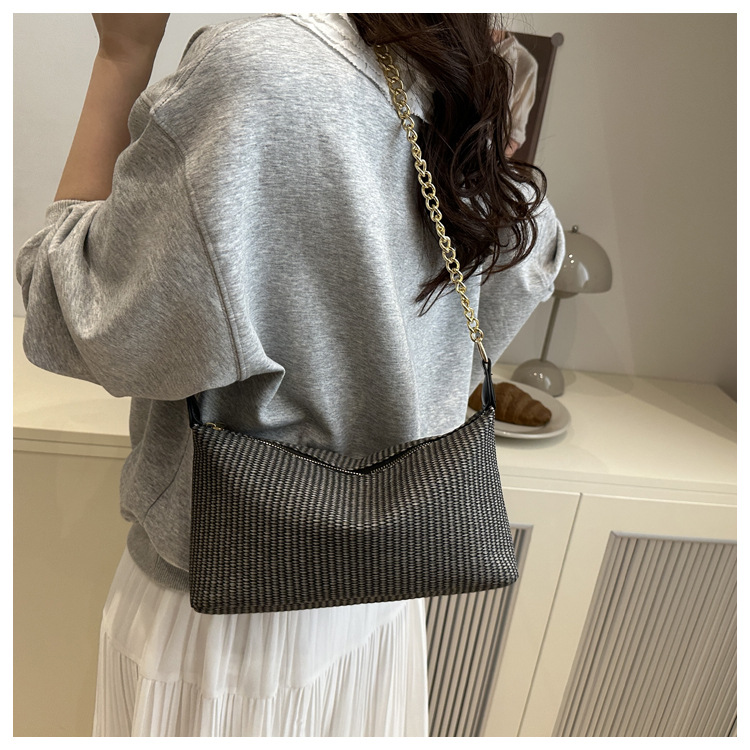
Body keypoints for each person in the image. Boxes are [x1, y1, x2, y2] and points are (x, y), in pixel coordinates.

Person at [16, 13, 564, 737]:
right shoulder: (457, 65)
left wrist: (122, 54)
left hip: (229, 646)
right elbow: (527, 260)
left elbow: (74, 315)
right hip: (383, 604)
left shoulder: (259, 69)